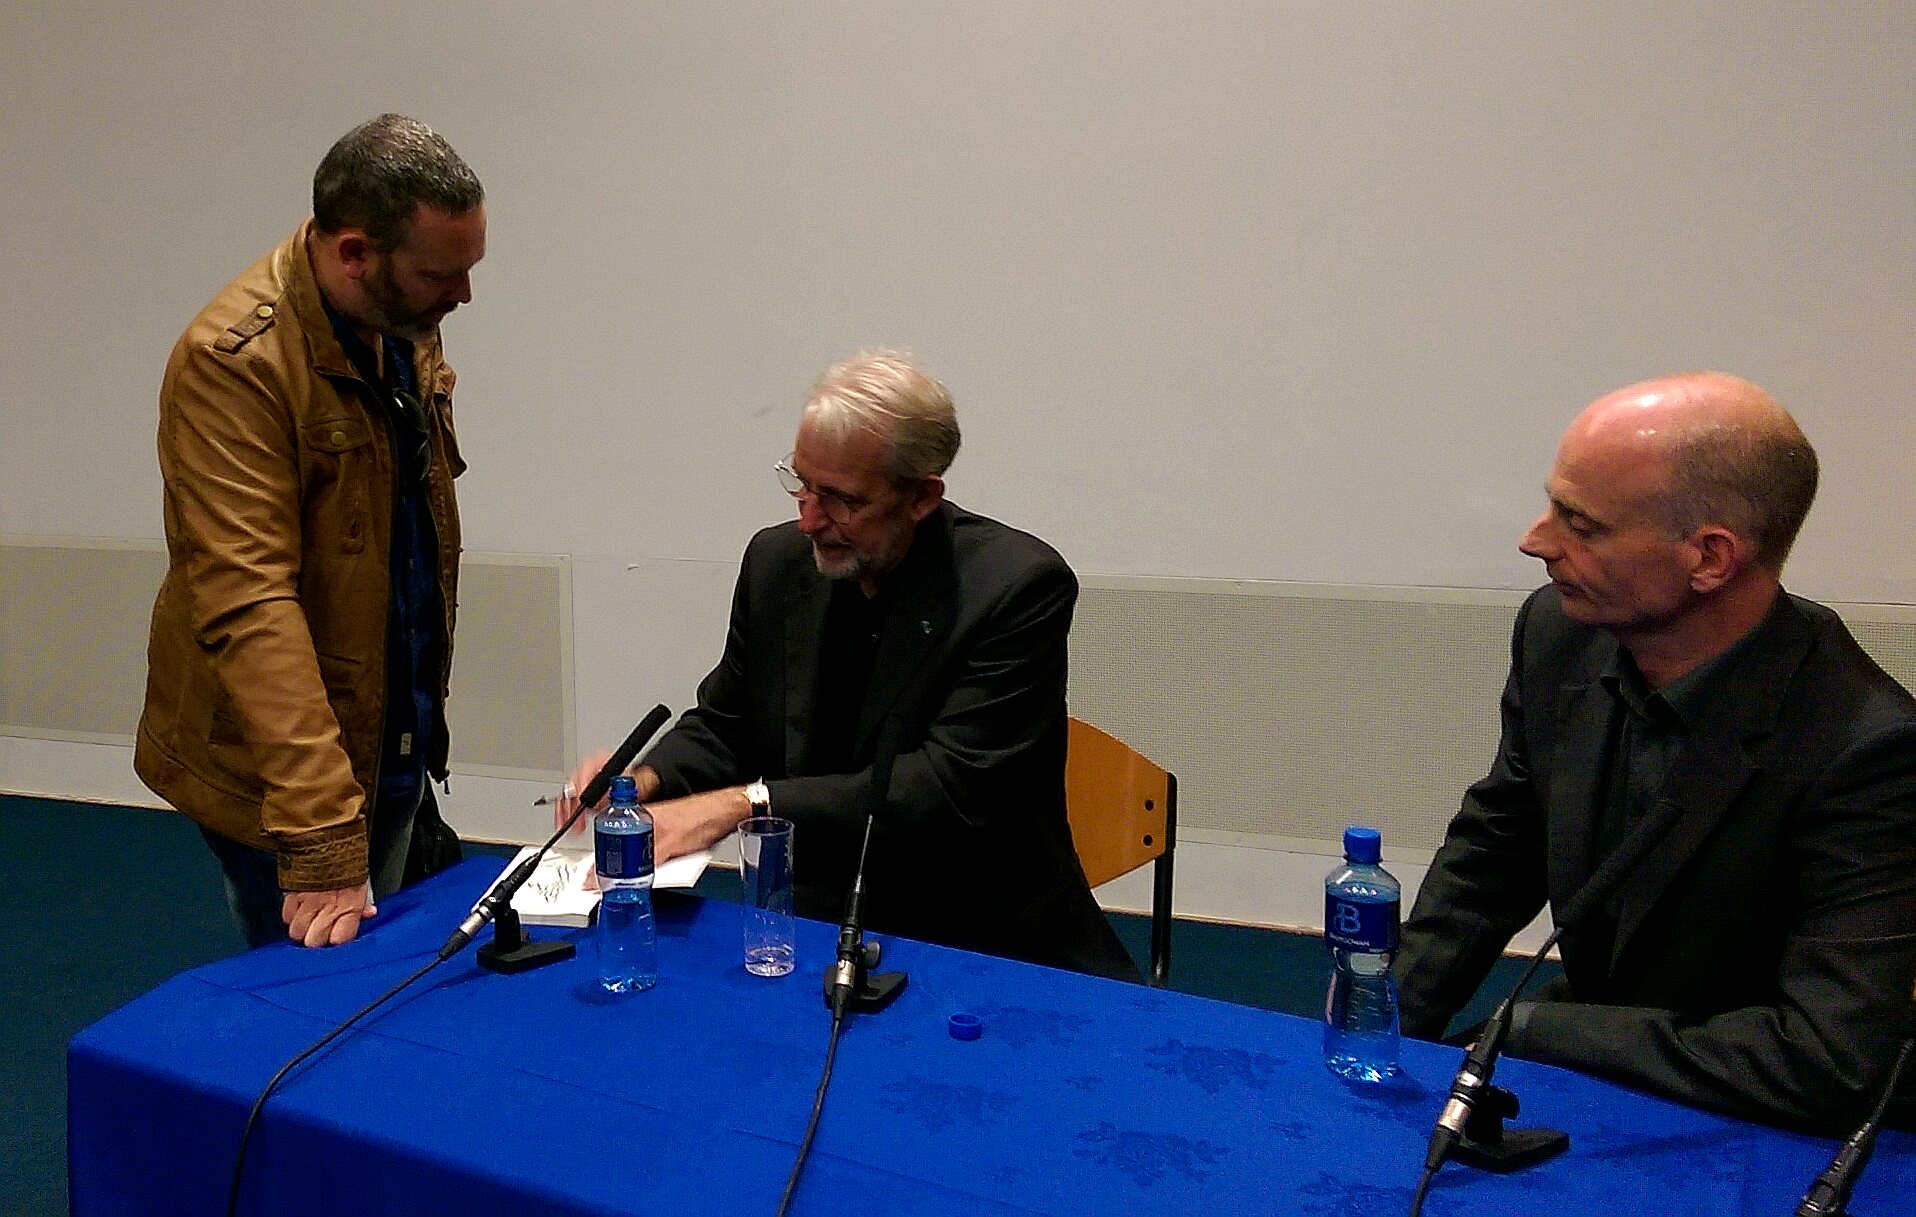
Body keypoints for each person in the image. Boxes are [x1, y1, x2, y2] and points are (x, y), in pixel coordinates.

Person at [1396, 372, 1916, 1132]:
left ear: (1710, 557)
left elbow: (1829, 1059)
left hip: (1757, 1119)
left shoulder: (1869, 750)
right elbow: (1496, 848)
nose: (1535, 540)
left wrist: (1542, 1029)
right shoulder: (1559, 631)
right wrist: (1381, 1021)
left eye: (1581, 523)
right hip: (1601, 1064)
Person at [567, 351, 1138, 980]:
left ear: (921, 497)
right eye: (802, 483)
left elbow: (945, 790)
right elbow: (728, 723)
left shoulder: (1015, 587)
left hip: (978, 937)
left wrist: (741, 804)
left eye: (841, 500)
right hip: (811, 923)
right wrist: (641, 782)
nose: (808, 519)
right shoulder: (777, 565)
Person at [135, 115, 487, 949]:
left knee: (386, 977)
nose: (465, 295)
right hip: (284, 778)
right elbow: (250, 603)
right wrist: (324, 835)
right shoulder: (235, 365)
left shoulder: (403, 321)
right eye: (443, 273)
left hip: (386, 733)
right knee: (307, 1010)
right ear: (356, 252)